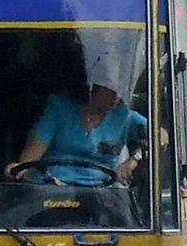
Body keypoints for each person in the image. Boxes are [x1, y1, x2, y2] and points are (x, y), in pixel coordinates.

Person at [10, 57, 149, 187]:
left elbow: (158, 136)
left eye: (120, 88)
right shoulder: (59, 108)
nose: (118, 95)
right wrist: (18, 169)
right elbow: (30, 158)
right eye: (111, 88)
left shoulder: (124, 116)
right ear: (92, 86)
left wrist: (134, 159)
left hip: (102, 193)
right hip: (53, 189)